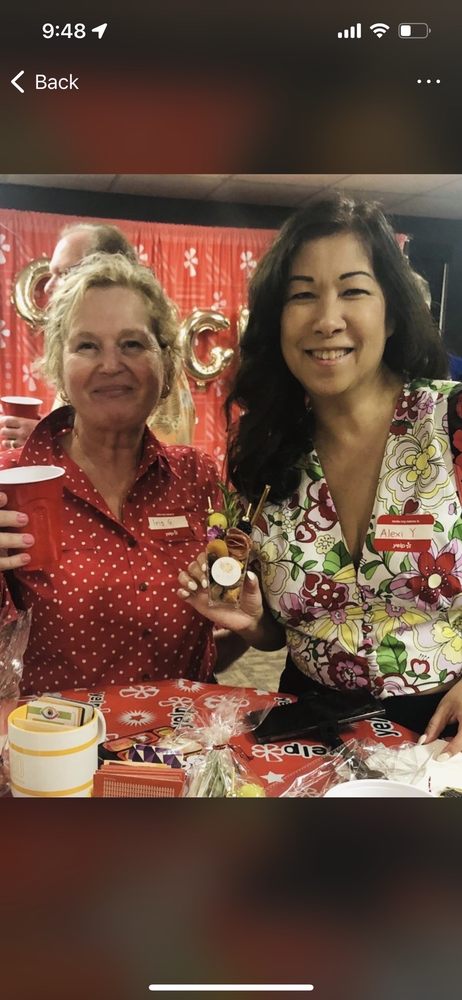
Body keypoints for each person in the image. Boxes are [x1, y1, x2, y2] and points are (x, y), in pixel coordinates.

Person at [178, 193, 462, 757]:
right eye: (302, 295)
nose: (327, 320)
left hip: (444, 731)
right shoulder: (265, 449)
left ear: (391, 310)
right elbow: (284, 629)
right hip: (310, 733)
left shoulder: (451, 422)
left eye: (353, 291)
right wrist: (252, 621)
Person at [0, 252, 218, 695]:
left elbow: (231, 622)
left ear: (165, 362)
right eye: (87, 346)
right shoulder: (11, 480)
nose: (111, 365)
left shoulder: (198, 478)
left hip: (183, 733)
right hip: (56, 734)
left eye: (132, 344)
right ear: (59, 365)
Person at [0, 222, 196, 449]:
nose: (48, 287)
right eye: (88, 346)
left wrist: (46, 443)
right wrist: (44, 435)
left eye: (64, 274)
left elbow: (145, 459)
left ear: (107, 273)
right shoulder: (72, 352)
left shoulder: (151, 365)